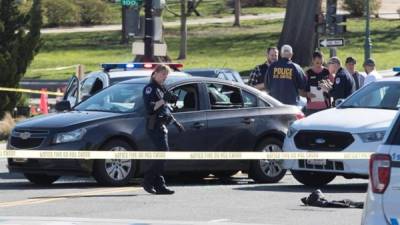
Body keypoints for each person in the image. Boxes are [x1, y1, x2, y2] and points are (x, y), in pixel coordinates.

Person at [142, 64, 185, 195]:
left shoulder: (161, 88)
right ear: (155, 73)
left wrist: (172, 105)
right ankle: (148, 180)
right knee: (163, 154)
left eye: (166, 75)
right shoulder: (150, 88)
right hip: (154, 125)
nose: (164, 78)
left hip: (162, 125)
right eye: (163, 75)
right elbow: (151, 108)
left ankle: (160, 185)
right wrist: (163, 100)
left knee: (162, 155)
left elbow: (165, 109)